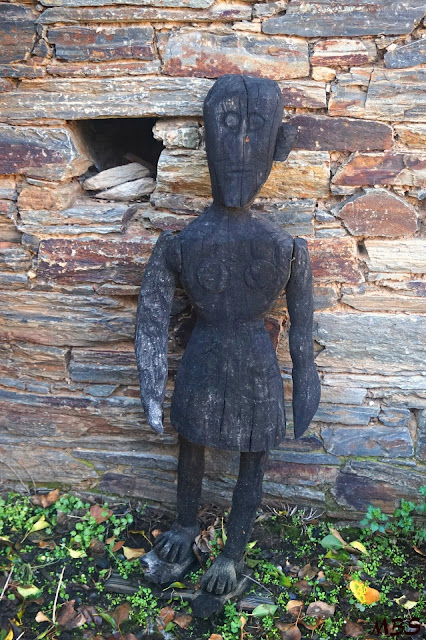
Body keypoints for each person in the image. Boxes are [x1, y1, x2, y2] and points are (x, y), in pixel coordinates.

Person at [135, 74, 320, 597]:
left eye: (255, 128)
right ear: (206, 141)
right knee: (190, 445)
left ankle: (233, 552)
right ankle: (185, 525)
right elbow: (150, 323)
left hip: (257, 367)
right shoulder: (182, 243)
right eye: (228, 125)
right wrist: (152, 387)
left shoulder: (285, 247)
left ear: (278, 145)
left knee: (253, 456)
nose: (240, 146)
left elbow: (304, 338)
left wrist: (306, 386)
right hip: (204, 357)